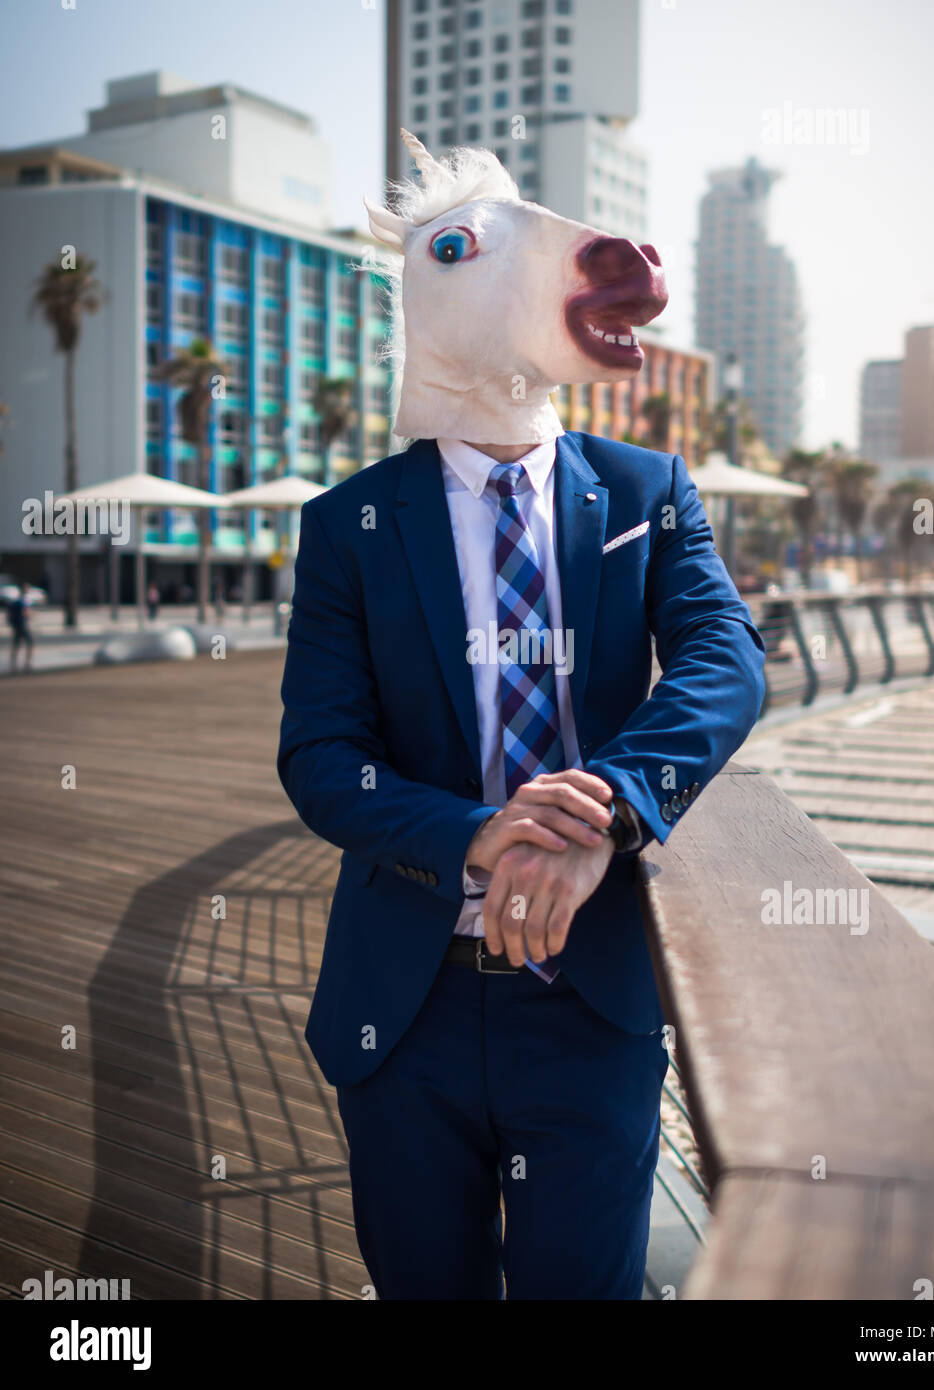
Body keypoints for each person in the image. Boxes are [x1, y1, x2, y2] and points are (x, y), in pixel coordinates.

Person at [277, 132, 766, 1301]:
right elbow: (320, 757)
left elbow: (724, 658)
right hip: (406, 1011)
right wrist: (476, 832)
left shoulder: (647, 490)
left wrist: (608, 806)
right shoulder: (347, 524)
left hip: (588, 1002)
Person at [6, 581, 34, 673]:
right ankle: (28, 662)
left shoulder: (16, 600)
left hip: (16, 625)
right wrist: (31, 614)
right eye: (27, 588)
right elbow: (25, 612)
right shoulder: (24, 600)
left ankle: (13, 662)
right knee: (30, 642)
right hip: (23, 624)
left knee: (16, 643)